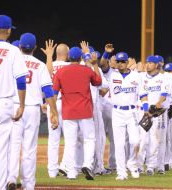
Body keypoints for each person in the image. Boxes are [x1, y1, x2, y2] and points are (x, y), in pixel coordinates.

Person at [7, 33, 58, 189]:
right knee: (29, 148)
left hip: (15, 106)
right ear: (35, 48)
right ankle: (28, 184)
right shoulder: (40, 65)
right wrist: (53, 111)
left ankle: (11, 178)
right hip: (32, 110)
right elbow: (48, 91)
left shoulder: (11, 62)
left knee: (13, 145)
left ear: (19, 46)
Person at [0, 15, 28, 190]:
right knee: (1, 150)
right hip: (2, 104)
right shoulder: (12, 50)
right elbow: (20, 80)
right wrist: (22, 104)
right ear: (9, 30)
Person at [53, 43, 102, 180]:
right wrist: (95, 64)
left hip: (68, 111)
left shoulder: (60, 71)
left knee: (70, 142)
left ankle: (71, 172)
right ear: (80, 57)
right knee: (89, 139)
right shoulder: (86, 70)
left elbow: (54, 93)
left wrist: (51, 110)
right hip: (85, 111)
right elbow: (98, 82)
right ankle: (87, 164)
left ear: (68, 57)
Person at [100, 46, 141, 180]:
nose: (120, 64)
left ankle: (132, 164)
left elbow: (142, 94)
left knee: (135, 141)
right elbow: (102, 64)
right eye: (118, 61)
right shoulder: (112, 74)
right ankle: (121, 172)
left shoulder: (136, 76)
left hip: (132, 111)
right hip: (117, 111)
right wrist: (106, 53)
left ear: (128, 62)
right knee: (119, 144)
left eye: (123, 61)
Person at [41, 41, 70, 178]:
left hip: (51, 103)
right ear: (68, 54)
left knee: (53, 139)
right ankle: (65, 166)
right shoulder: (71, 66)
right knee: (70, 138)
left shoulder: (48, 65)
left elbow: (45, 83)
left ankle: (52, 171)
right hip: (66, 104)